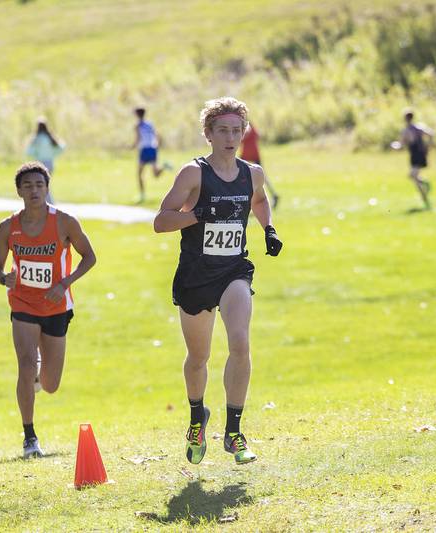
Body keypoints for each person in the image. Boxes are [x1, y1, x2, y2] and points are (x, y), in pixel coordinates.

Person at [153, 97, 283, 465]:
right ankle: (197, 417)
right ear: (208, 134)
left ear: (244, 133)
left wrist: (269, 229)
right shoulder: (193, 174)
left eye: (236, 130)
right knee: (199, 357)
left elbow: (259, 201)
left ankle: (234, 432)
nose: (230, 137)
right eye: (222, 130)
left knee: (240, 342)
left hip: (233, 270)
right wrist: (200, 214)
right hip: (196, 275)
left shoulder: (252, 173)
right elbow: (161, 221)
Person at [0, 162, 97, 458]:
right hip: (22, 302)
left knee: (50, 385)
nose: (34, 190)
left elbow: (89, 257)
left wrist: (65, 283)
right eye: (27, 186)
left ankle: (39, 374)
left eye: (39, 184)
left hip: (56, 305)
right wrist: (4, 279)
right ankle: (29, 437)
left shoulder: (64, 222)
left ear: (47, 188)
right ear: (19, 192)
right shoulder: (7, 228)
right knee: (24, 365)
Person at [391, 110, 433, 209]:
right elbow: (431, 134)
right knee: (412, 176)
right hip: (421, 154)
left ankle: (426, 201)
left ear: (405, 119)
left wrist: (394, 146)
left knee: (413, 176)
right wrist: (428, 146)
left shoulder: (406, 131)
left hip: (415, 155)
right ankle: (425, 184)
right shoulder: (420, 127)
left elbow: (400, 145)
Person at [131, 107, 171, 204]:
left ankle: (142, 195)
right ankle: (164, 166)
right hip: (152, 149)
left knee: (139, 173)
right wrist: (158, 144)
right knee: (156, 174)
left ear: (137, 115)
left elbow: (138, 138)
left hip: (145, 150)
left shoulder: (137, 125)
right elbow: (157, 135)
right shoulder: (149, 123)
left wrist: (132, 146)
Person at [240, 123, 280, 209]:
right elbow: (257, 135)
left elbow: (246, 134)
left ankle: (271, 195)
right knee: (261, 176)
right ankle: (273, 194)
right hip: (251, 154)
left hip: (250, 154)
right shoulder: (250, 126)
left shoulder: (247, 125)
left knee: (260, 176)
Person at [26, 117, 65, 203]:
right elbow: (61, 148)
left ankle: (49, 203)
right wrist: (52, 154)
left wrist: (36, 155)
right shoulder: (50, 138)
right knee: (45, 184)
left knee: (43, 185)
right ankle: (48, 203)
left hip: (40, 164)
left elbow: (29, 151)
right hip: (50, 163)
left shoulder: (37, 139)